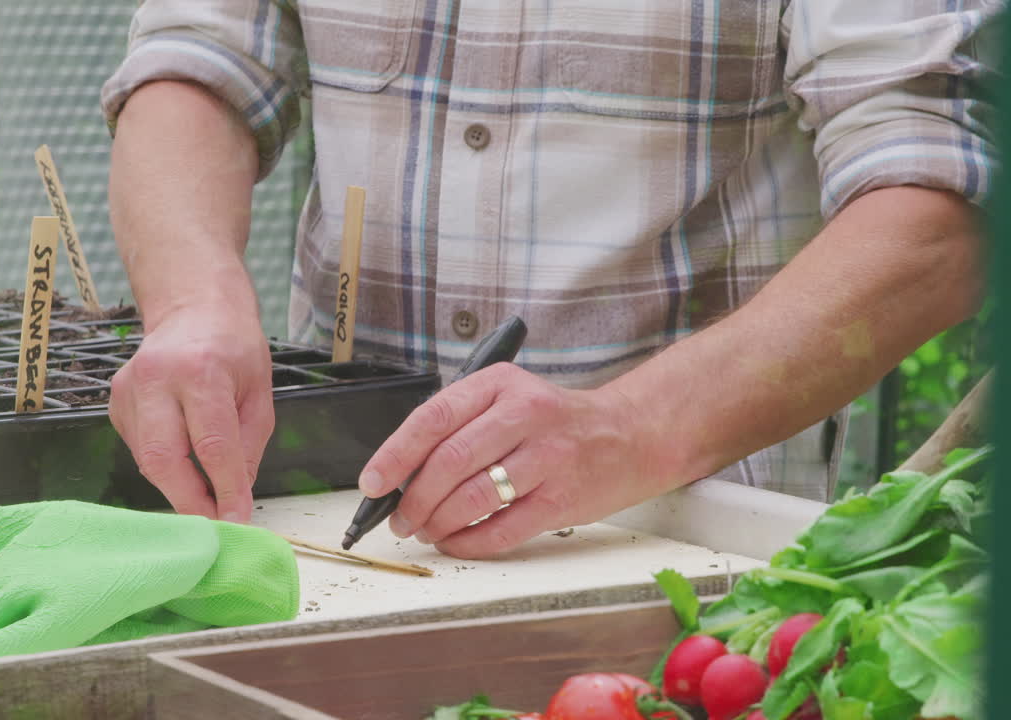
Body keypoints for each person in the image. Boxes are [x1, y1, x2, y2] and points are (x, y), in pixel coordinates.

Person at [100, 0, 995, 559]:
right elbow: (198, 56)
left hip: (671, 549)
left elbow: (937, 214)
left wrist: (632, 430)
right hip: (319, 515)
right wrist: (192, 300)